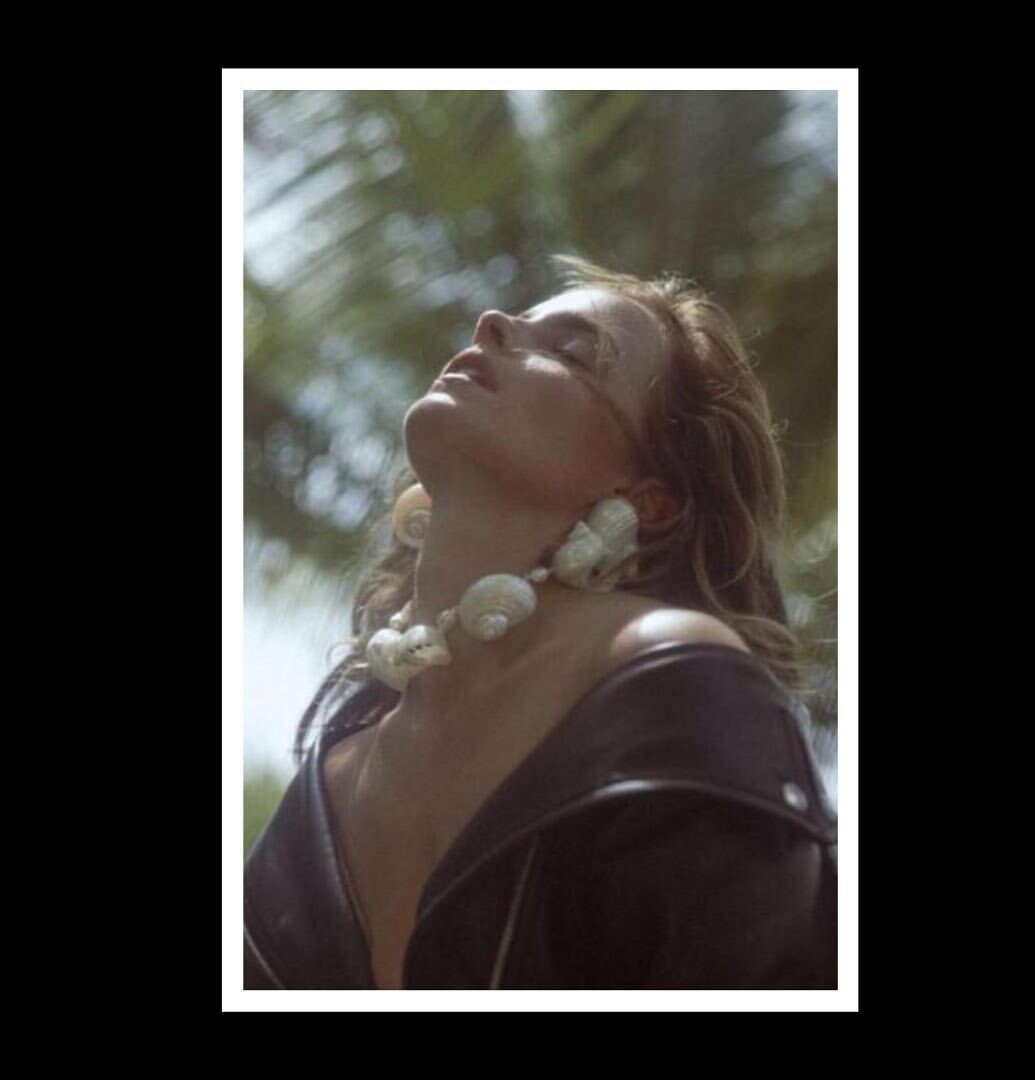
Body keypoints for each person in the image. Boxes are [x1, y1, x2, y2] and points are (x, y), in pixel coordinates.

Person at [243, 255, 838, 991]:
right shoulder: (326, 782)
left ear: (645, 501)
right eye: (517, 321)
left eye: (572, 353)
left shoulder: (664, 679)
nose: (491, 324)